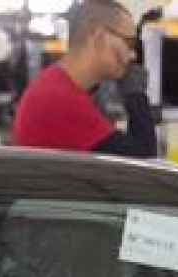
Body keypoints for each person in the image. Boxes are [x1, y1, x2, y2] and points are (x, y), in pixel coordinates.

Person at [11, 0, 155, 158]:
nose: (133, 55)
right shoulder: (60, 99)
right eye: (129, 43)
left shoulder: (55, 84)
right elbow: (144, 163)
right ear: (98, 36)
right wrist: (136, 95)